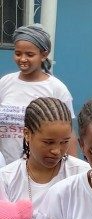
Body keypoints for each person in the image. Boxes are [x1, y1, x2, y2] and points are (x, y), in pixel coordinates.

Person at [0, 24, 75, 164]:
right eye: (18, 53)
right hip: (6, 170)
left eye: (29, 54)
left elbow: (68, 133)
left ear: (44, 55)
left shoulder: (56, 88)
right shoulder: (4, 83)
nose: (22, 59)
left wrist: (71, 171)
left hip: (44, 169)